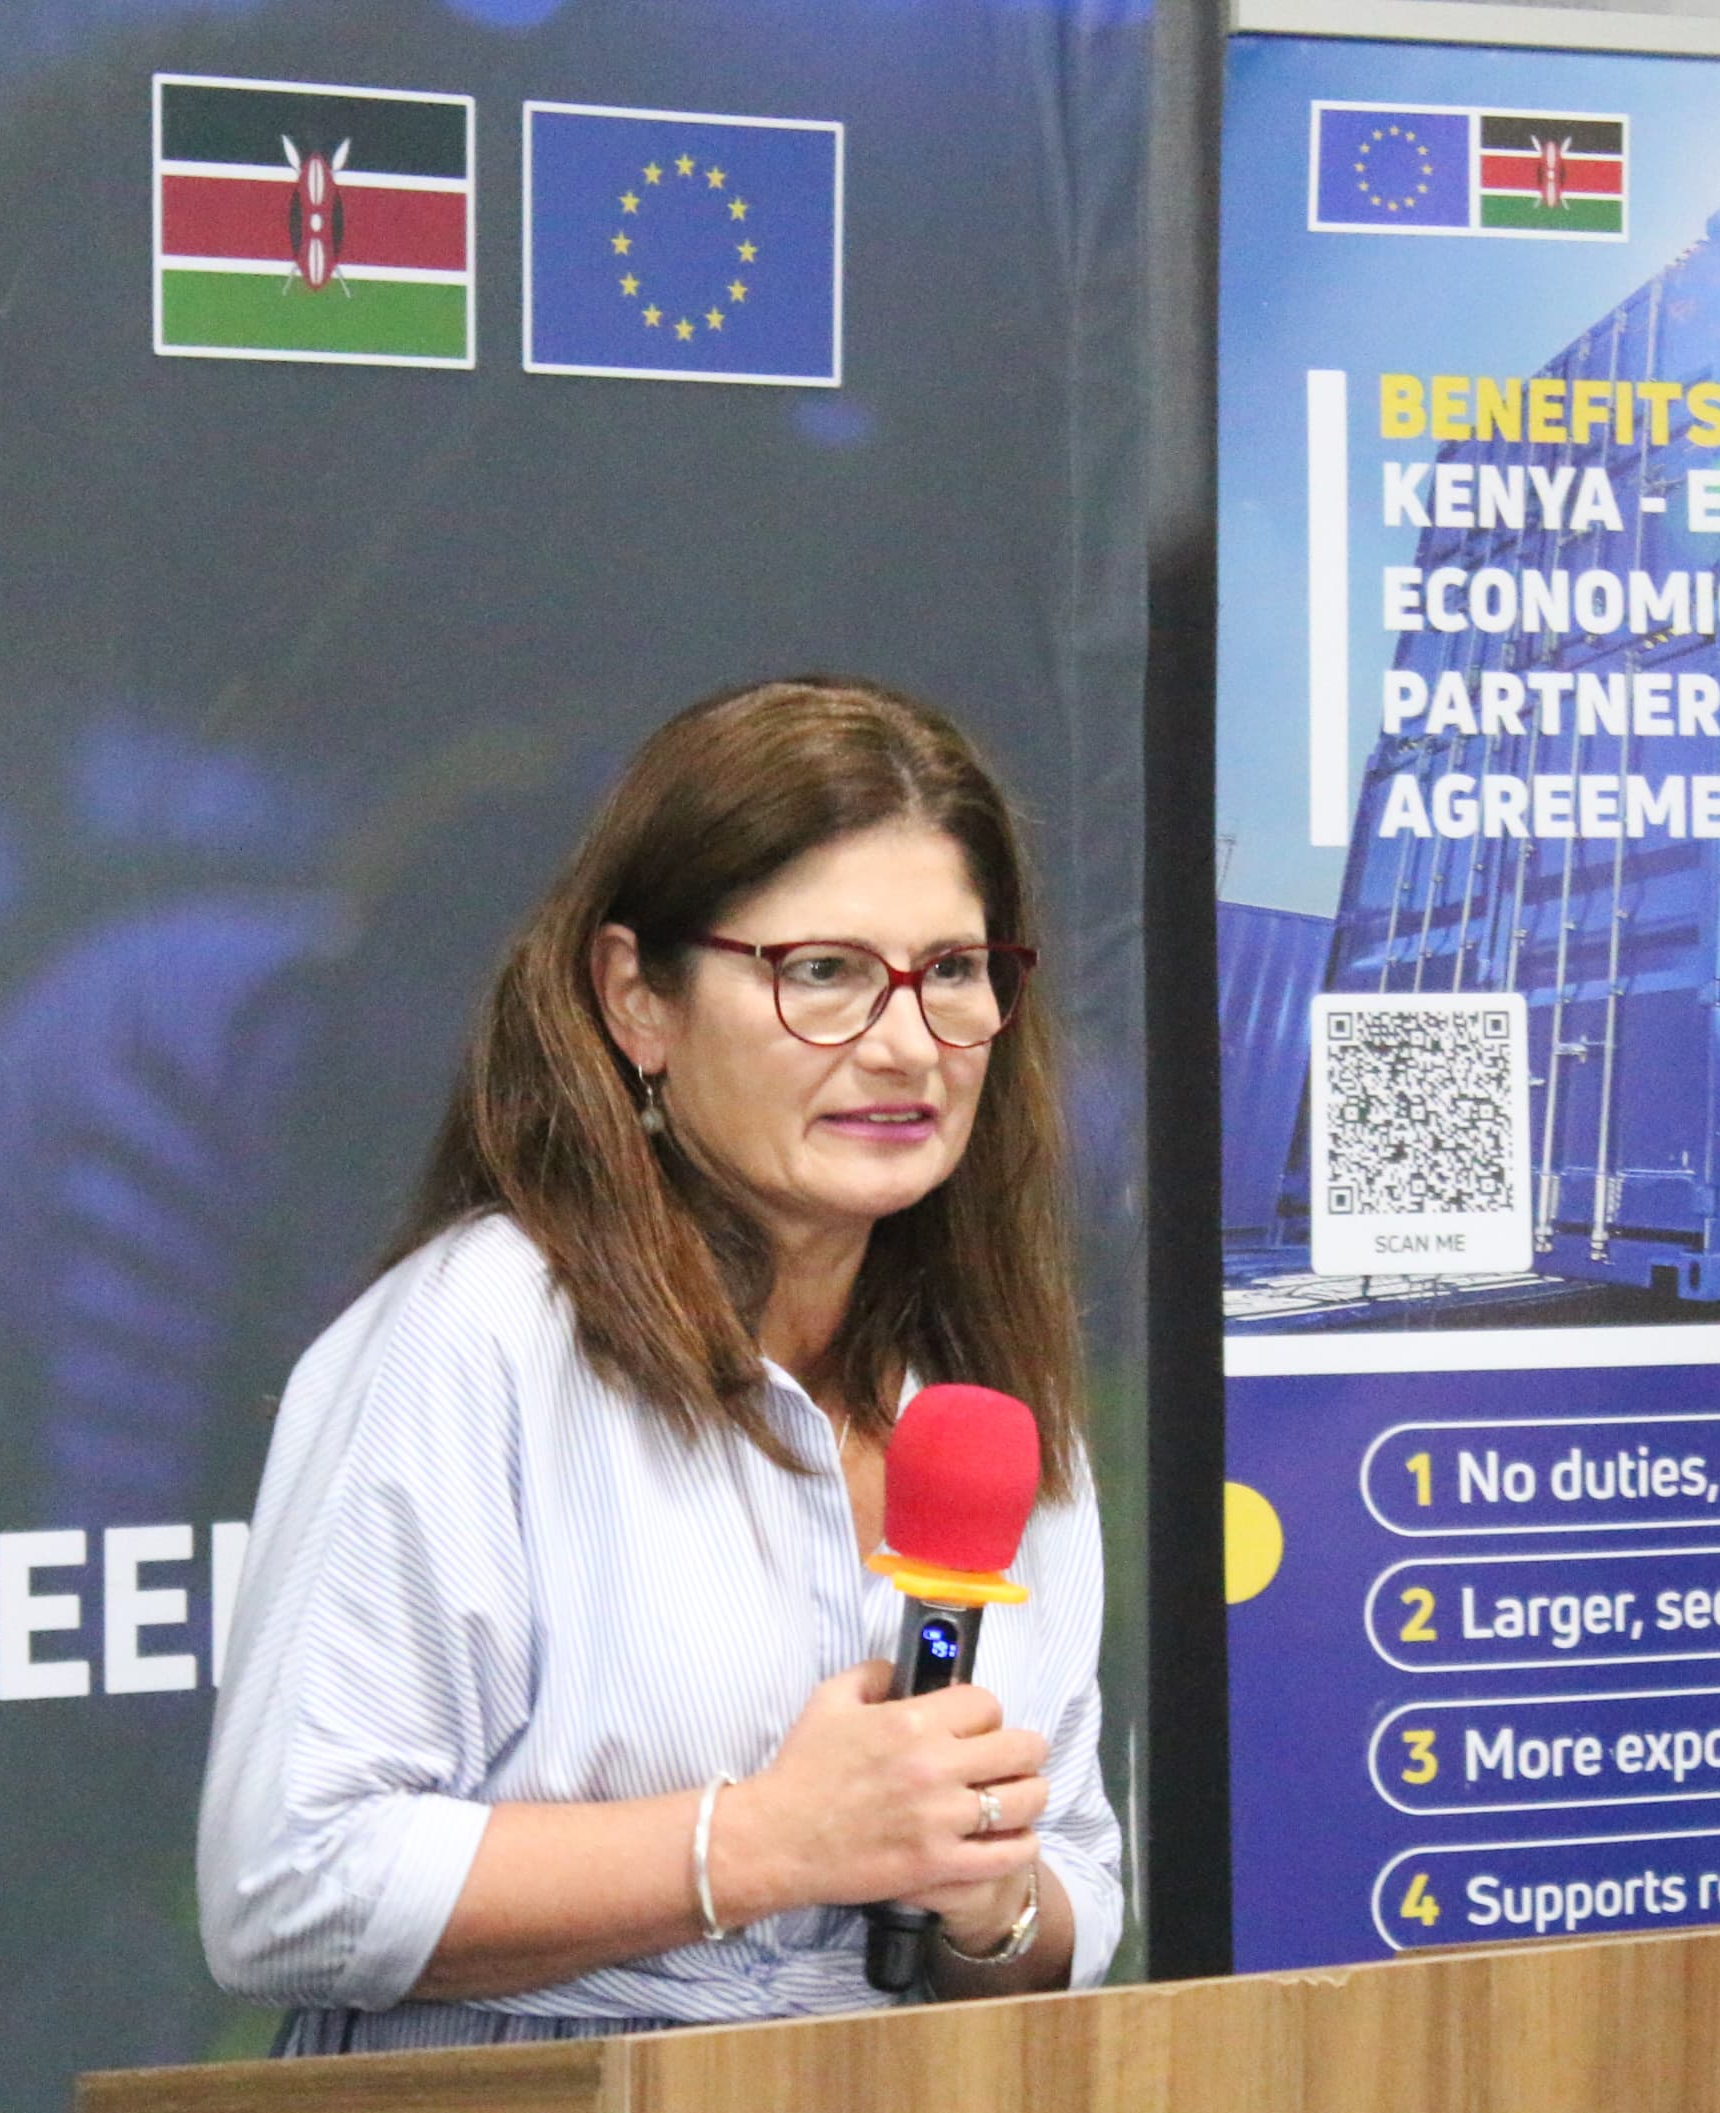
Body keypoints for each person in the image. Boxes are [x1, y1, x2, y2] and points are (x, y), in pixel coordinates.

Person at [199, 676, 1122, 2044]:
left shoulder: (982, 1398)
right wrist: (759, 1845)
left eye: (955, 973)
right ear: (639, 1000)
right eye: (822, 972)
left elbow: (1080, 1888)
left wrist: (988, 1902)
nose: (906, 1043)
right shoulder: (479, 1334)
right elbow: (289, 1879)